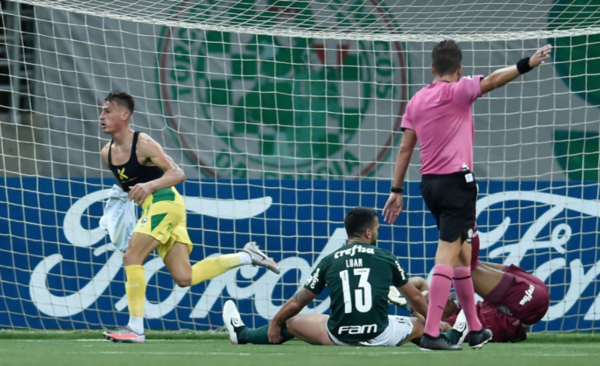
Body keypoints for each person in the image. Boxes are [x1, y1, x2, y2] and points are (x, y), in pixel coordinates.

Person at [382, 40, 552, 350]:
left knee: (462, 259)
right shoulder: (459, 90)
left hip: (428, 185)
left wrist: (396, 190)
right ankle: (431, 333)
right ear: (459, 70)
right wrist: (527, 63)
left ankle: (475, 328)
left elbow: (406, 148)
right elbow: (495, 79)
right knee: (446, 258)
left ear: (431, 68)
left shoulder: (417, 100)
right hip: (457, 184)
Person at [99, 90, 280, 343]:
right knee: (185, 277)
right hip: (154, 208)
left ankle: (136, 329)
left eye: (107, 111)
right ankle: (247, 256)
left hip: (166, 203)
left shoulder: (143, 143)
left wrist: (150, 186)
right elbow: (126, 189)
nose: (101, 116)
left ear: (124, 115)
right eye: (102, 111)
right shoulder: (107, 152)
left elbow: (177, 174)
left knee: (132, 256)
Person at [223, 207, 431, 348]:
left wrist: (276, 322)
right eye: (376, 230)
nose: (377, 234)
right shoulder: (386, 258)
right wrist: (433, 322)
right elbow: (416, 298)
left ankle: (243, 335)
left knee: (292, 322)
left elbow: (298, 302)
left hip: (339, 336)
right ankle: (450, 338)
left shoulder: (330, 261)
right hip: (381, 335)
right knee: (421, 326)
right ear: (368, 233)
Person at [389, 259, 550, 343]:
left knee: (469, 261)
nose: (449, 295)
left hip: (535, 289)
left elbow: (420, 282)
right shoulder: (449, 325)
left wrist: (398, 290)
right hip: (525, 307)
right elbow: (428, 324)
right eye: (438, 301)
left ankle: (463, 229)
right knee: (459, 262)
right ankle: (462, 224)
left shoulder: (460, 310)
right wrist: (410, 306)